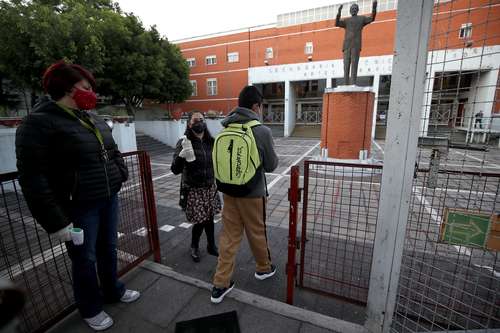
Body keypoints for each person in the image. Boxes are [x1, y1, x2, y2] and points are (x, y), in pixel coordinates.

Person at [15, 61, 139, 331]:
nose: (92, 93)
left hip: (108, 197)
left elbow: (113, 149)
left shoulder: (91, 117)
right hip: (79, 206)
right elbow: (33, 179)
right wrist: (57, 222)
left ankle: (113, 290)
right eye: (86, 88)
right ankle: (91, 308)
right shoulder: (37, 124)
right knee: (85, 259)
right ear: (69, 89)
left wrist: (120, 173)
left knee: (108, 249)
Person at [210, 86, 279, 304]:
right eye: (261, 106)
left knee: (229, 237)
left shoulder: (225, 128)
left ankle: (220, 284)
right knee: (257, 232)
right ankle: (263, 268)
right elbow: (271, 166)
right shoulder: (261, 131)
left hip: (229, 192)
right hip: (253, 193)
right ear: (256, 106)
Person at [171, 111, 221, 262]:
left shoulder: (210, 141)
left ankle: (211, 245)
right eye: (195, 120)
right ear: (189, 124)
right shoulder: (184, 142)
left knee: (210, 217)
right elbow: (175, 170)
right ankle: (195, 246)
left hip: (210, 187)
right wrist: (181, 157)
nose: (199, 122)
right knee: (201, 221)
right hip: (194, 188)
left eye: (201, 119)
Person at [336, 1, 377, 85]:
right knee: (346, 66)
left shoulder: (361, 19)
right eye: (352, 9)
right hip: (347, 46)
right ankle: (345, 84)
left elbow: (372, 18)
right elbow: (337, 23)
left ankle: (353, 84)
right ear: (350, 11)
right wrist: (339, 13)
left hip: (356, 45)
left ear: (357, 10)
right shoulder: (346, 20)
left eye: (355, 9)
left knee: (354, 65)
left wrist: (374, 7)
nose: (353, 10)